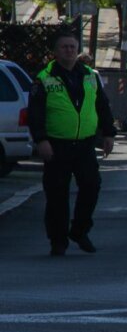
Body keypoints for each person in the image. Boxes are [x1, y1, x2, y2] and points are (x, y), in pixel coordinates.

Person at [28, 30, 116, 256]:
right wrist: (41, 140)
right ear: (55, 52)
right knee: (57, 195)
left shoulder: (89, 75)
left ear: (78, 50)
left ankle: (79, 230)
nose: (69, 50)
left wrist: (108, 133)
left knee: (91, 185)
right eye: (64, 47)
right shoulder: (44, 78)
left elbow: (102, 106)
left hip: (84, 144)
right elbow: (35, 113)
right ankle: (58, 241)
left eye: (72, 47)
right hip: (57, 145)